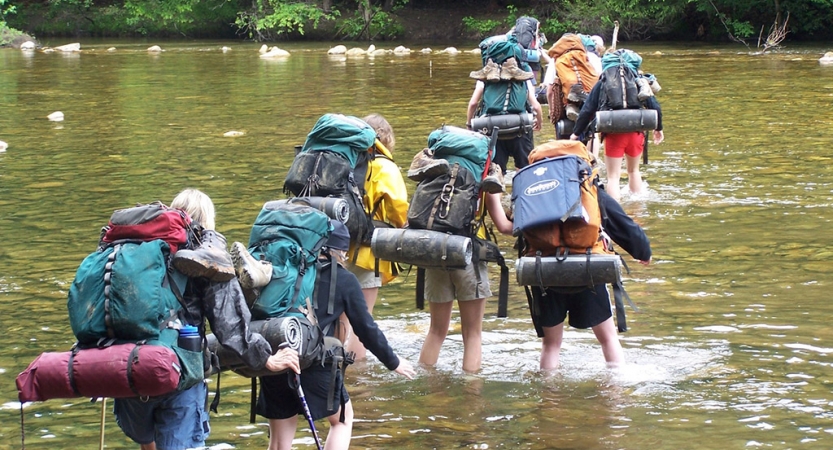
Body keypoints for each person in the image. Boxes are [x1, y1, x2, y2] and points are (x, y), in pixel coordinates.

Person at [113, 188, 300, 450]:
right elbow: (230, 326)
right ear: (208, 221)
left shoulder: (139, 253)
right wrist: (267, 358)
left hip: (128, 372)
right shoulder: (207, 256)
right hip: (177, 374)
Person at [257, 220, 415, 450]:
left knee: (280, 442)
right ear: (340, 250)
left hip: (276, 356)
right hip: (316, 362)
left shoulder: (286, 271)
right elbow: (365, 328)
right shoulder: (344, 279)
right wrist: (393, 361)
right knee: (342, 420)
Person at [485, 184, 651, 369]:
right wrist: (643, 251)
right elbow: (621, 223)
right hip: (586, 268)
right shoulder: (588, 187)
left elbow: (506, 227)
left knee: (551, 346)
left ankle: (550, 395)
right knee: (608, 339)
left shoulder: (531, 186)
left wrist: (491, 195)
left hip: (543, 271)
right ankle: (615, 393)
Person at [417, 192, 511, 373]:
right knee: (472, 334)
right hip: (469, 254)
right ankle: (471, 393)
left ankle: (426, 388)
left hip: (435, 251)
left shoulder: (436, 170)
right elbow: (504, 226)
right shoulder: (483, 174)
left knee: (436, 331)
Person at [341, 113, 409, 361]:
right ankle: (358, 376)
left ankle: (335, 373)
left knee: (340, 317)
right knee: (362, 318)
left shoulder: (344, 161)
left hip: (337, 247)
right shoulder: (384, 167)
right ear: (387, 138)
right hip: (367, 252)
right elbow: (398, 207)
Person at [569, 53, 664, 201]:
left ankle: (616, 214)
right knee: (634, 171)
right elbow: (655, 106)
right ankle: (637, 210)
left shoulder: (603, 83)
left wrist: (576, 133)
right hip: (636, 131)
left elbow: (587, 110)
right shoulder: (639, 81)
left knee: (613, 177)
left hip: (613, 133)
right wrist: (659, 129)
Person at [466, 55, 544, 174]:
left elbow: (473, 103)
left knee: (496, 172)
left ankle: (499, 191)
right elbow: (536, 106)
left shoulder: (484, 78)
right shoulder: (523, 78)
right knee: (525, 169)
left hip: (493, 129)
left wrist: (469, 124)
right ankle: (519, 190)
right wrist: (539, 121)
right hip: (520, 128)